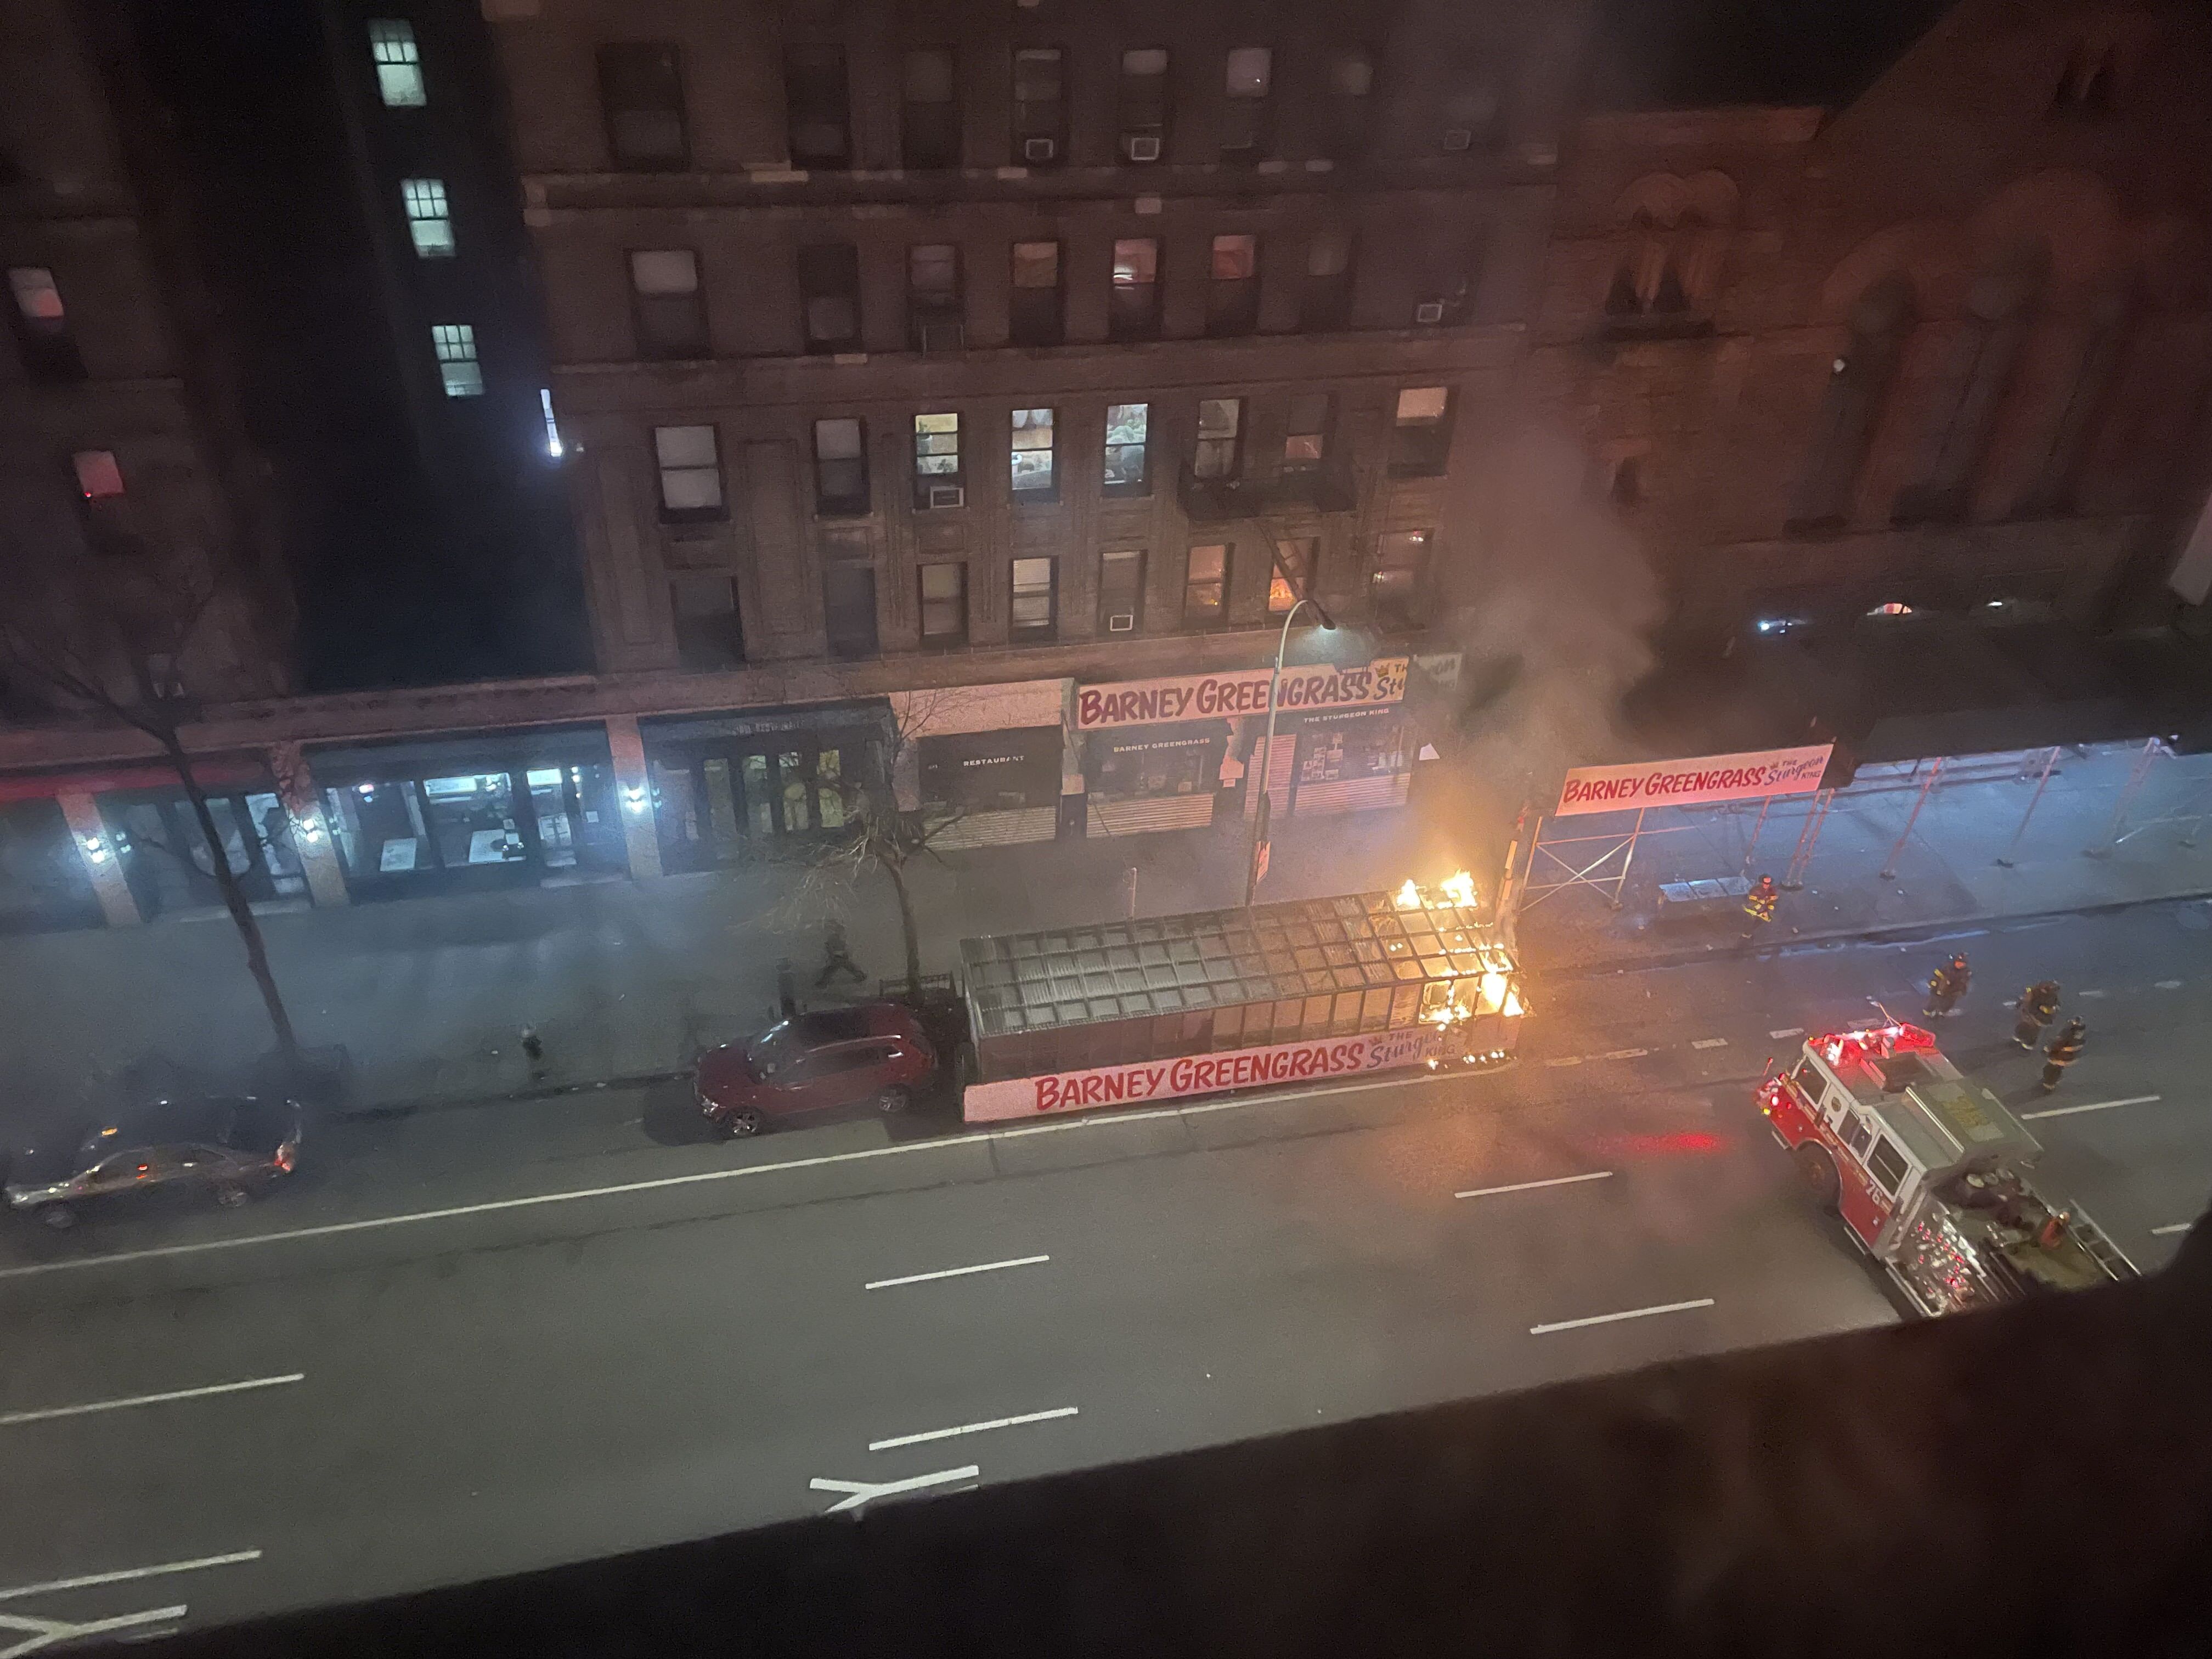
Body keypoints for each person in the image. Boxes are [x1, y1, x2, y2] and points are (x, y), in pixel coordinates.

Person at [815, 918, 866, 989]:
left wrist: (840, 953)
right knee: (833, 968)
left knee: (834, 968)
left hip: (839, 957)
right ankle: (824, 982)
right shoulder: (833, 937)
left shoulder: (839, 937)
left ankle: (823, 982)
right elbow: (830, 947)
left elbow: (842, 947)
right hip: (837, 957)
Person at [2039, 1017, 2086, 1092]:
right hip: (2062, 1056)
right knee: (2053, 1069)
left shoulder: (2068, 1037)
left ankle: (2050, 1083)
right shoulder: (2071, 1038)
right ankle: (2050, 1082)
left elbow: (2057, 1045)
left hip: (2060, 1055)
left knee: (2053, 1069)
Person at [2013, 979, 2061, 1050]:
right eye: (2022, 1032)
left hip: (2038, 988)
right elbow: (2051, 1006)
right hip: (2045, 989)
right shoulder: (2044, 1020)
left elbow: (2027, 1001)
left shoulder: (2027, 1018)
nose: (2019, 1027)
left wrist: (2026, 996)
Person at [1923, 952, 1971, 1018]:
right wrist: (1934, 982)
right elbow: (1938, 975)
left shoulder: (1965, 973)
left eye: (1961, 964)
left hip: (1952, 993)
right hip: (1939, 989)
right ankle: (1927, 1014)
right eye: (1957, 962)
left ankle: (1941, 1013)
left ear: (1964, 965)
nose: (1958, 965)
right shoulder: (1948, 967)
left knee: (1946, 1004)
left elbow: (1960, 986)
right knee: (1933, 1001)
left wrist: (1948, 991)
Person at [1740, 874, 1778, 939]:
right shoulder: (1755, 891)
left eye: (1769, 883)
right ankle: (1746, 933)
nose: (1767, 885)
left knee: (1759, 922)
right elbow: (1751, 903)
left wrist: (1768, 910)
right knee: (1752, 922)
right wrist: (1762, 911)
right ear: (1762, 883)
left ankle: (1748, 933)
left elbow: (1773, 901)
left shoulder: (1772, 890)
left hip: (1763, 910)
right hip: (1752, 910)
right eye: (1765, 883)